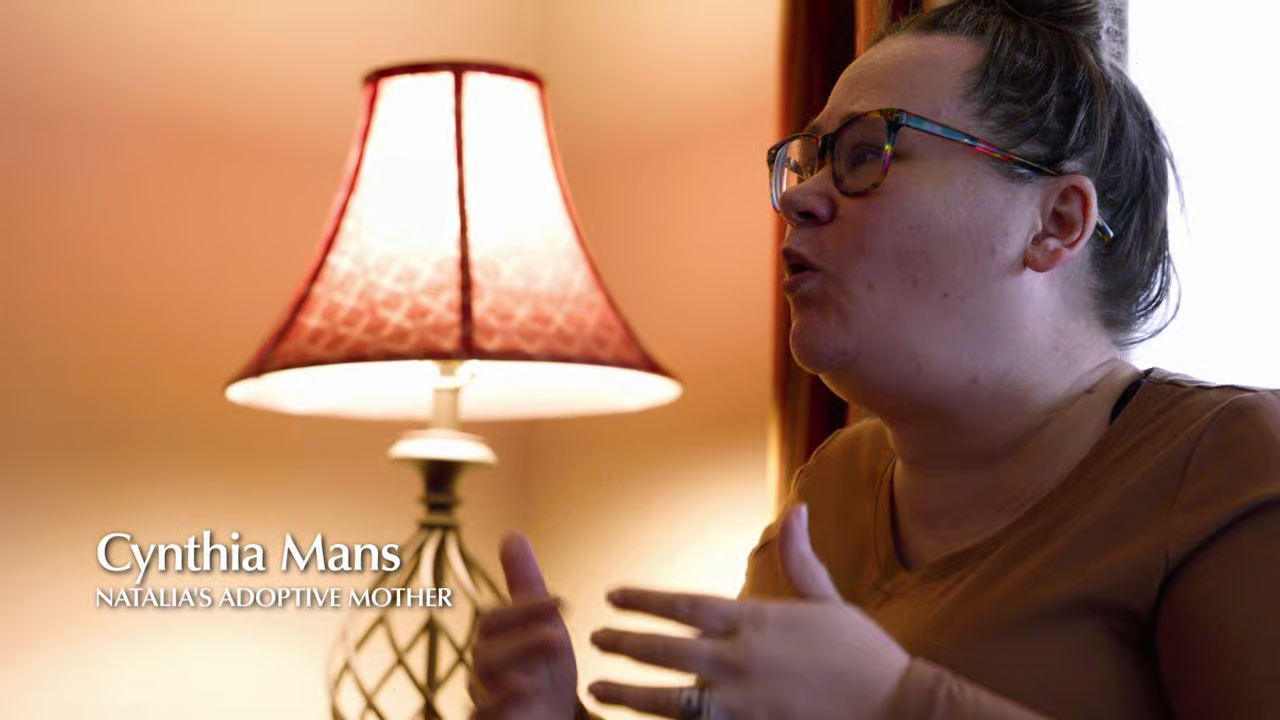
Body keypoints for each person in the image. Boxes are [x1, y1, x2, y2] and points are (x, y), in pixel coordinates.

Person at [467, 0, 1280, 717]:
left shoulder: (1227, 463)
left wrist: (897, 702)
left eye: (865, 154)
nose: (797, 197)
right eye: (808, 160)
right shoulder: (834, 488)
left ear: (1056, 222)